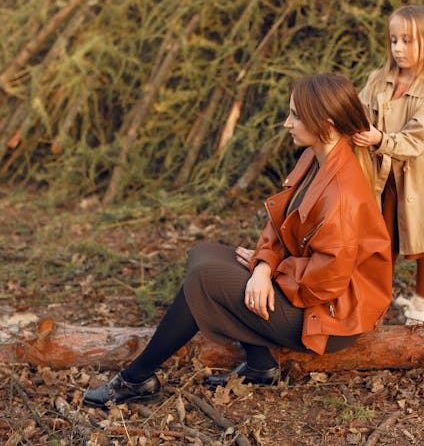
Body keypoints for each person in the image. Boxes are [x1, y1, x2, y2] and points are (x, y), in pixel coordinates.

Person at [82, 73, 393, 408]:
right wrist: (263, 266)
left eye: (296, 116)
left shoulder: (343, 192)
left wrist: (271, 273)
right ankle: (260, 366)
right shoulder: (315, 157)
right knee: (204, 254)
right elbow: (281, 223)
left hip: (330, 316)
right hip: (306, 288)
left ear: (327, 126)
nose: (287, 123)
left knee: (206, 278)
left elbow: (327, 279)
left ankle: (136, 378)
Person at [353, 4, 424, 325]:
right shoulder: (378, 80)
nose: (398, 48)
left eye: (408, 41)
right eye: (394, 40)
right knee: (382, 242)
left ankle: (423, 302)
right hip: (385, 177)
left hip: (419, 179)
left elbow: (414, 140)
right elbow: (358, 111)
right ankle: (375, 303)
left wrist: (378, 139)